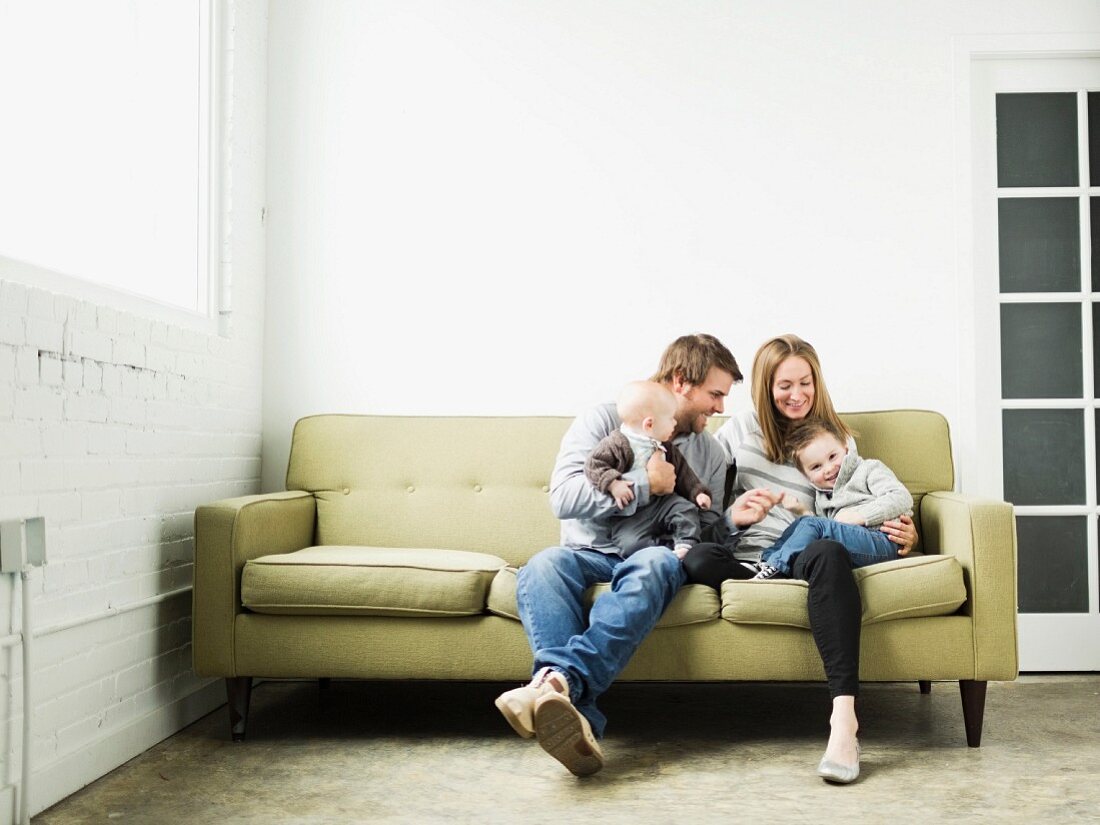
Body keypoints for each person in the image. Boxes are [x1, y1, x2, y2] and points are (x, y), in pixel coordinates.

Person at [494, 333, 743, 776]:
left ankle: (553, 685)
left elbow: (707, 535)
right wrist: (649, 487)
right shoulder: (604, 420)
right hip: (588, 552)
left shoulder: (709, 451)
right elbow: (565, 498)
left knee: (660, 563)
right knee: (543, 565)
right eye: (716, 394)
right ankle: (577, 716)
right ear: (681, 382)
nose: (721, 408)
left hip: (653, 554)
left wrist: (733, 520)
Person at [682, 334, 917, 785]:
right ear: (763, 388)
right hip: (750, 561)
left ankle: (844, 721)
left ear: (817, 381)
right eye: (783, 385)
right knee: (697, 558)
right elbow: (704, 508)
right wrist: (732, 519)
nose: (796, 395)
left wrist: (909, 530)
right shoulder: (736, 432)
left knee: (826, 549)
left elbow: (864, 502)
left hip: (810, 555)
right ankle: (763, 571)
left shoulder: (836, 439)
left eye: (805, 382)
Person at [750, 415, 913, 579]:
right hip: (848, 548)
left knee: (813, 524)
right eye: (816, 467)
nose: (828, 468)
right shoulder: (822, 496)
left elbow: (901, 496)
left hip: (884, 540)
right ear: (807, 477)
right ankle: (766, 561)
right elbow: (825, 529)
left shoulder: (868, 469)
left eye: (832, 456)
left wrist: (860, 516)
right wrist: (801, 510)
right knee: (802, 523)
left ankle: (777, 567)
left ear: (846, 448)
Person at [583, 380, 713, 559]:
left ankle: (686, 543)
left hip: (662, 503)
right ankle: (662, 552)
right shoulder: (616, 443)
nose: (675, 423)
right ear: (649, 424)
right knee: (629, 542)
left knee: (684, 508)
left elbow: (684, 472)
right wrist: (613, 484)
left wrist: (697, 492)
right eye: (670, 418)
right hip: (630, 515)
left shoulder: (664, 445)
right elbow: (594, 465)